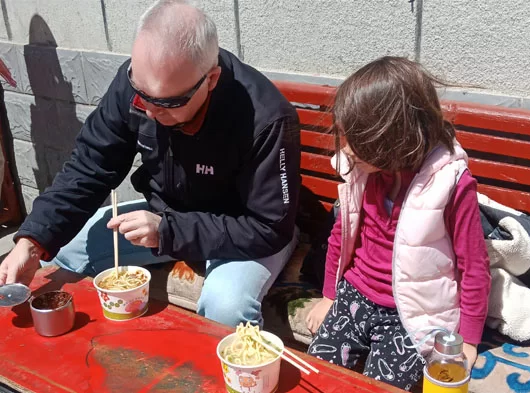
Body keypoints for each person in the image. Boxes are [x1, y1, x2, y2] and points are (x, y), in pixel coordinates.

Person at [0, 0, 301, 329]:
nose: (148, 110)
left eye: (168, 103)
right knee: (67, 250)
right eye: (140, 93)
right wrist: (32, 241)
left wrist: (168, 231)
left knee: (225, 306)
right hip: (168, 218)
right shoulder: (135, 88)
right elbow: (89, 166)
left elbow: (269, 227)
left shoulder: (266, 118)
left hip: (241, 231)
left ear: (211, 79)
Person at [304, 57, 491, 391]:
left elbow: (474, 267)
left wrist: (469, 340)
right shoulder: (363, 170)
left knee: (382, 386)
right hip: (354, 295)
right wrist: (329, 296)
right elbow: (341, 234)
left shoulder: (451, 185)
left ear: (392, 137)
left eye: (354, 137)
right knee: (318, 374)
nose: (345, 147)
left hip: (410, 316)